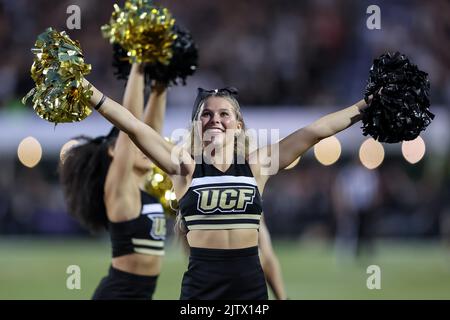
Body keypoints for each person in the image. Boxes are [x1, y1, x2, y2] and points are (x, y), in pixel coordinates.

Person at [82, 79, 372, 299]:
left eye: (224, 114)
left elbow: (316, 130)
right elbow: (133, 126)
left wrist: (365, 106)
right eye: (206, 114)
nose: (215, 120)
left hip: (251, 291)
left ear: (238, 124)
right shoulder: (184, 167)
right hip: (201, 292)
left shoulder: (258, 164)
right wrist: (87, 90)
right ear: (197, 125)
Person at [60, 64, 168, 299]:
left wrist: (161, 84)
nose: (144, 149)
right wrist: (138, 66)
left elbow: (148, 133)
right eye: (133, 145)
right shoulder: (120, 189)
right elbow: (130, 124)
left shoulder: (140, 187)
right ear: (113, 152)